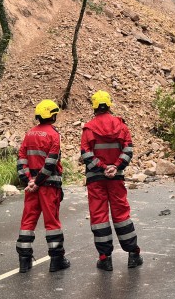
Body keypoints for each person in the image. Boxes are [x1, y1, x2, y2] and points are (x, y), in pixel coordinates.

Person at [80, 90, 143, 271]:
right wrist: (115, 166)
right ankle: (133, 254)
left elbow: (86, 154)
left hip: (95, 180)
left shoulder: (89, 128)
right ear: (109, 105)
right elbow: (128, 149)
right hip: (116, 178)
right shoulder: (121, 126)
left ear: (94, 107)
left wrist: (101, 167)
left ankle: (105, 258)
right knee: (121, 215)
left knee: (99, 217)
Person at [15, 99, 70, 273]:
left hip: (32, 186)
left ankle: (24, 262)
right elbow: (51, 162)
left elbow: (21, 159)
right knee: (51, 222)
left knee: (27, 221)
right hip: (48, 186)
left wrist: (29, 181)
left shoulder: (29, 134)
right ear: (52, 116)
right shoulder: (54, 135)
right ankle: (56, 260)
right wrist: (38, 182)